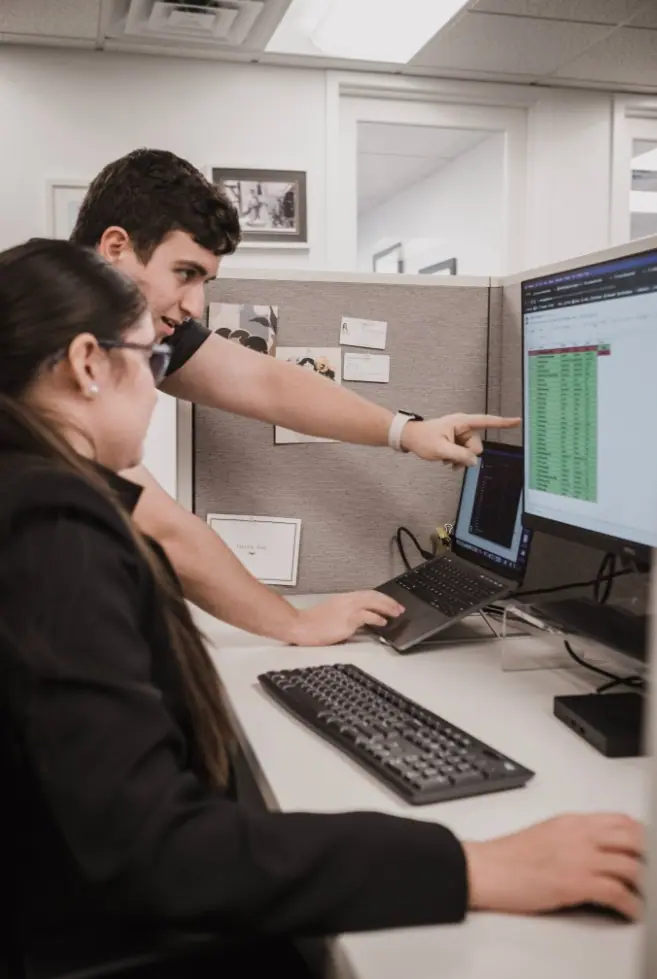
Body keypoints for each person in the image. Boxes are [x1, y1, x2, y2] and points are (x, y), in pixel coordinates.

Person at [0, 241, 644, 978]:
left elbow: (264, 385)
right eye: (150, 361)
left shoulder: (31, 492)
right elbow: (159, 853)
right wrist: (475, 865)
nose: (157, 389)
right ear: (88, 362)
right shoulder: (49, 530)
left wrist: (402, 432)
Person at [66, 148, 522, 649]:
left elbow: (267, 384)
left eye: (205, 281)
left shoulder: (117, 328)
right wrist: (295, 623)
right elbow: (161, 527)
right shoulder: (42, 341)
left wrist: (407, 432)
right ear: (115, 247)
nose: (196, 305)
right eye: (185, 273)